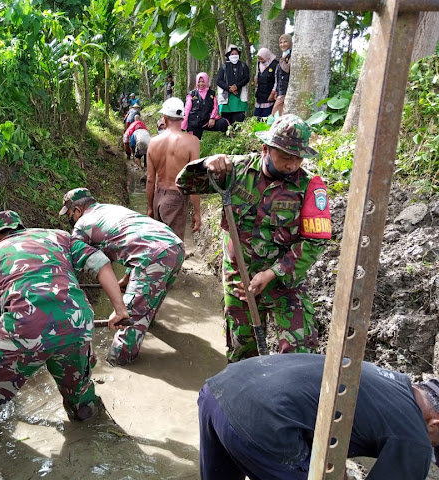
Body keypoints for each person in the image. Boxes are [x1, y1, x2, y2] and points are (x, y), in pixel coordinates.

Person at [0, 211, 129, 434]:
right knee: (78, 387)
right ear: (20, 228)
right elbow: (99, 262)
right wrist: (119, 309)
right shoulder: (58, 237)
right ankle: (89, 421)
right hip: (78, 321)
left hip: (24, 327)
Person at [176, 114, 331, 362]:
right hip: (241, 282)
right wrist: (206, 165)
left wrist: (272, 274)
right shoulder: (236, 171)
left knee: (300, 357)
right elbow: (184, 183)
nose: (292, 164)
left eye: (297, 157)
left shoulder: (310, 186)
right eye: (285, 156)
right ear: (265, 149)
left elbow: (315, 241)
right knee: (241, 355)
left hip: (284, 284)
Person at [198, 353, 439, 480]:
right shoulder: (415, 437)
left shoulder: (390, 381)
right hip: (262, 421)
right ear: (435, 424)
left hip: (218, 389)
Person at [59, 188, 184, 367]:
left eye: (69, 214)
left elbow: (72, 261)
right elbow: (138, 239)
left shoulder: (82, 224)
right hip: (175, 247)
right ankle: (147, 324)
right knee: (147, 306)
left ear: (77, 210)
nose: (69, 219)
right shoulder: (111, 209)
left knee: (129, 320)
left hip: (153, 258)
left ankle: (118, 365)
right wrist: (127, 278)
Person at [147, 97, 202, 242]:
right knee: (173, 248)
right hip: (176, 198)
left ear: (165, 118)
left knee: (158, 244)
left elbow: (150, 179)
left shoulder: (153, 142)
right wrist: (197, 212)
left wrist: (150, 207)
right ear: (183, 117)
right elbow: (193, 180)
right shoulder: (192, 142)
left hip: (158, 197)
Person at [181, 72, 230, 140]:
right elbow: (186, 110)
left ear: (206, 81)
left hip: (207, 121)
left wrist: (212, 117)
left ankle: (229, 142)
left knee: (224, 123)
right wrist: (183, 126)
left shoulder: (211, 94)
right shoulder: (191, 94)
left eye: (203, 81)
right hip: (195, 123)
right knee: (194, 144)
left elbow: (215, 107)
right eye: (199, 81)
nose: (201, 84)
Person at [216, 45, 250, 127]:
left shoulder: (243, 66)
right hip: (226, 98)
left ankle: (236, 138)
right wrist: (229, 88)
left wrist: (237, 86)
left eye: (236, 53)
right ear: (228, 55)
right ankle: (227, 138)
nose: (234, 55)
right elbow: (218, 80)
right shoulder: (223, 67)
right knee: (226, 122)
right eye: (232, 54)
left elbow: (246, 78)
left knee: (238, 121)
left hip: (239, 97)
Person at [271, 33, 292, 117]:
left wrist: (282, 60)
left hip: (286, 90)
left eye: (285, 42)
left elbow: (287, 69)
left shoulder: (291, 55)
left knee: (274, 116)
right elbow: (278, 76)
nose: (283, 44)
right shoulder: (283, 56)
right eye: (281, 42)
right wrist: (276, 90)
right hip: (280, 91)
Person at [254, 47, 279, 119]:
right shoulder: (259, 64)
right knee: (257, 117)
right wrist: (256, 79)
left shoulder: (275, 65)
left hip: (269, 94)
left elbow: (277, 80)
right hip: (260, 94)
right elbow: (257, 74)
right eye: (259, 59)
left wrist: (272, 93)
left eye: (262, 59)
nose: (260, 61)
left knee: (266, 117)